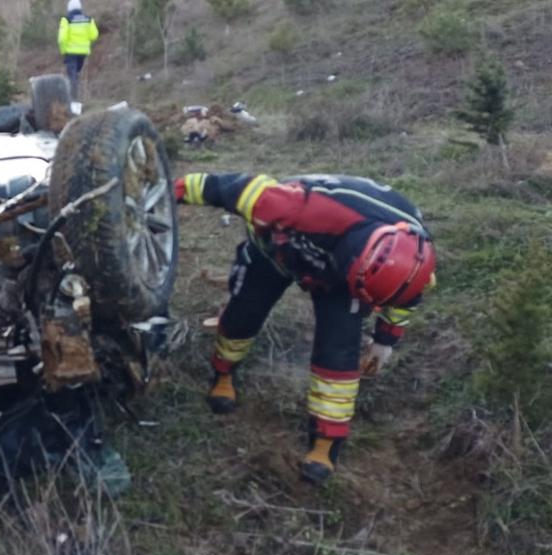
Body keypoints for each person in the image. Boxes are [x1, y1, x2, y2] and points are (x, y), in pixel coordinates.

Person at [174, 172, 436, 485]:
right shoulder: (300, 206)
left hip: (340, 281)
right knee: (243, 314)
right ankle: (223, 374)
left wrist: (385, 341)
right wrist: (169, 191)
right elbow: (228, 187)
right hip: (277, 248)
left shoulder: (415, 261)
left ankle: (326, 443)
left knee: (339, 352)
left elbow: (406, 298)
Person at [58, 0, 99, 100]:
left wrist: (63, 51)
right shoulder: (88, 19)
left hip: (71, 52)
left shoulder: (66, 20)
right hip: (83, 52)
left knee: (72, 76)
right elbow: (94, 35)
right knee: (76, 74)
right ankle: (78, 96)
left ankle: (73, 98)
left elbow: (62, 39)